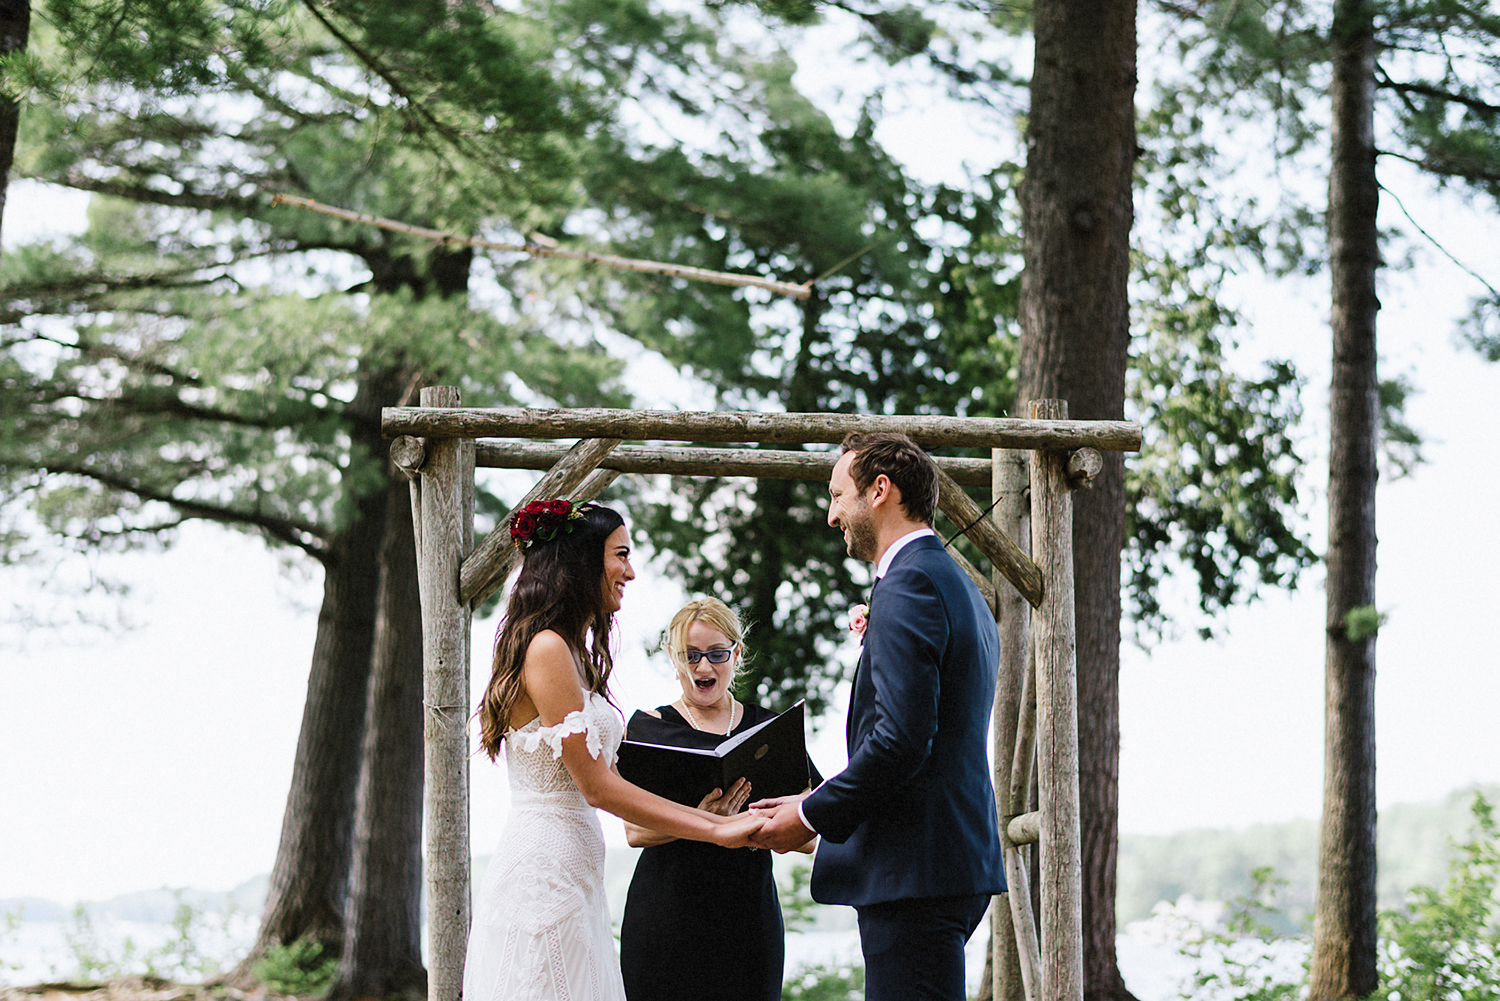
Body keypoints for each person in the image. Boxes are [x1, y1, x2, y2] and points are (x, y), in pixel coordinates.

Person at [463, 500, 763, 1001]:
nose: (631, 569)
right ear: (583, 559)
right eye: (621, 554)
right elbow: (598, 785)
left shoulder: (573, 650)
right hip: (544, 872)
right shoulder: (547, 650)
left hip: (578, 872)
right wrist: (714, 827)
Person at [749, 432, 1007, 1001]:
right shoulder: (953, 583)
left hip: (915, 873)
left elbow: (900, 742)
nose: (830, 513)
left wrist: (811, 815)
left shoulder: (909, 583)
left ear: (880, 491)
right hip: (944, 862)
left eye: (839, 494)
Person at [617, 598, 817, 1001]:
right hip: (666, 918)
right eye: (690, 656)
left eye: (716, 654)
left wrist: (763, 824)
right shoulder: (648, 728)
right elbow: (634, 830)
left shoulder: (769, 729)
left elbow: (812, 830)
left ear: (736, 653)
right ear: (674, 659)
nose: (703, 667)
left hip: (748, 920)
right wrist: (703, 820)